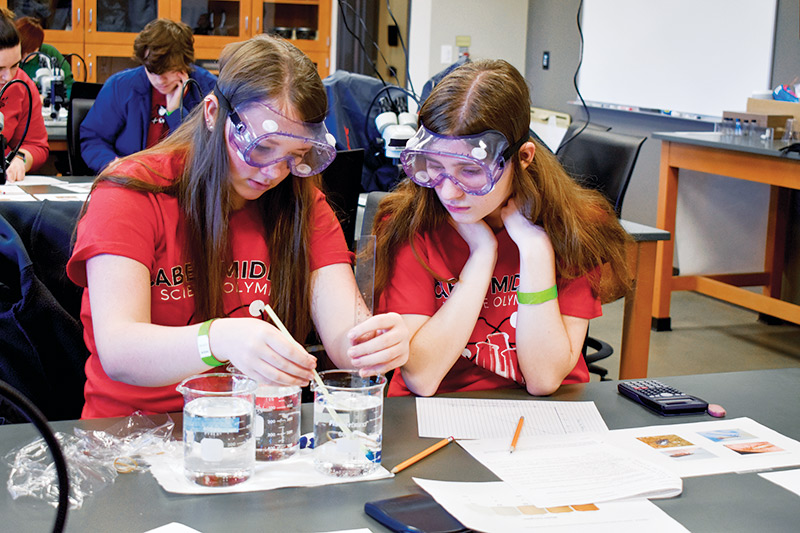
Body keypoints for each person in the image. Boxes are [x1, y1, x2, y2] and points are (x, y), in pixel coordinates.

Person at [66, 34, 410, 419]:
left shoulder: (301, 203)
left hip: (251, 433)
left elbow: (345, 338)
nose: (274, 173)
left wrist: (376, 344)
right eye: (261, 148)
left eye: (293, 157)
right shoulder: (133, 193)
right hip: (133, 433)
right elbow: (119, 350)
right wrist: (220, 338)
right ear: (213, 113)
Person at [373, 59, 632, 398]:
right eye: (434, 166)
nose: (448, 191)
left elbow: (543, 379)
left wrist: (536, 251)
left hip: (542, 415)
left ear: (523, 157)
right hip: (438, 412)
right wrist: (482, 256)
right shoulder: (410, 225)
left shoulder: (574, 227)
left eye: (470, 171)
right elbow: (422, 376)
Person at [79, 18, 217, 174]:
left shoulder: (209, 89)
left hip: (187, 182)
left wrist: (175, 112)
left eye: (168, 71)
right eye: (152, 71)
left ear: (185, 63)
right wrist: (112, 164)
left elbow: (209, 150)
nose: (159, 80)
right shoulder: (121, 86)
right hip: (131, 179)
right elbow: (93, 139)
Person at [0, 8, 48, 183]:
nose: (9, 77)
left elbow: (36, 145)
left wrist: (21, 159)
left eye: (14, 65)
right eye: (0, 69)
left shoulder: (22, 85)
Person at [16, 16, 74, 100]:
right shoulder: (9, 58)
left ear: (38, 47)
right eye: (22, 52)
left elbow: (69, 87)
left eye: (29, 52)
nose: (24, 57)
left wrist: (51, 99)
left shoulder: (49, 53)